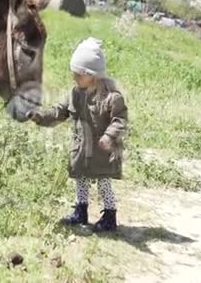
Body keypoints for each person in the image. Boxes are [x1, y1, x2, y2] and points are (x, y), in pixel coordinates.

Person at [27, 37, 128, 232]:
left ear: (93, 75)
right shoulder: (75, 93)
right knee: (80, 179)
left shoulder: (111, 97)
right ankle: (80, 211)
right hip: (82, 149)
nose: (75, 78)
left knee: (103, 182)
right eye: (74, 74)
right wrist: (39, 116)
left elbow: (120, 120)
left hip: (102, 152)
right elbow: (59, 111)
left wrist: (109, 136)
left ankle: (109, 215)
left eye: (79, 75)